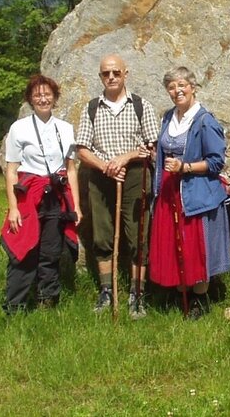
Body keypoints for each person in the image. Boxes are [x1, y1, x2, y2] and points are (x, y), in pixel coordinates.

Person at [77, 54, 159, 318]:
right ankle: (106, 292)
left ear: (126, 73)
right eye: (105, 73)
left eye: (115, 72)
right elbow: (82, 150)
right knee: (101, 235)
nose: (110, 77)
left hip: (135, 177)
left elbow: (151, 146)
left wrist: (126, 157)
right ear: (100, 77)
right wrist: (106, 167)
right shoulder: (91, 108)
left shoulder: (141, 106)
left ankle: (137, 295)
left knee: (138, 236)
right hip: (101, 178)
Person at [149, 66, 230, 319]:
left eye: (182, 85)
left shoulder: (205, 121)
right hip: (169, 192)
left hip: (196, 194)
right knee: (176, 246)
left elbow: (217, 162)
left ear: (193, 87)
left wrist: (185, 167)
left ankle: (199, 299)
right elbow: (165, 151)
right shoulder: (168, 117)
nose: (177, 91)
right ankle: (179, 293)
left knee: (197, 247)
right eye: (172, 87)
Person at [0, 74, 81, 315]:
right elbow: (12, 170)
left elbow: (71, 169)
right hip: (29, 196)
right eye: (38, 95)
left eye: (47, 94)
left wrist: (76, 207)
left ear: (54, 98)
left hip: (55, 196)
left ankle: (48, 301)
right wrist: (13, 207)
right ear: (30, 99)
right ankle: (15, 306)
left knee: (51, 250)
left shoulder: (65, 129)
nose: (43, 99)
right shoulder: (19, 128)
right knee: (24, 249)